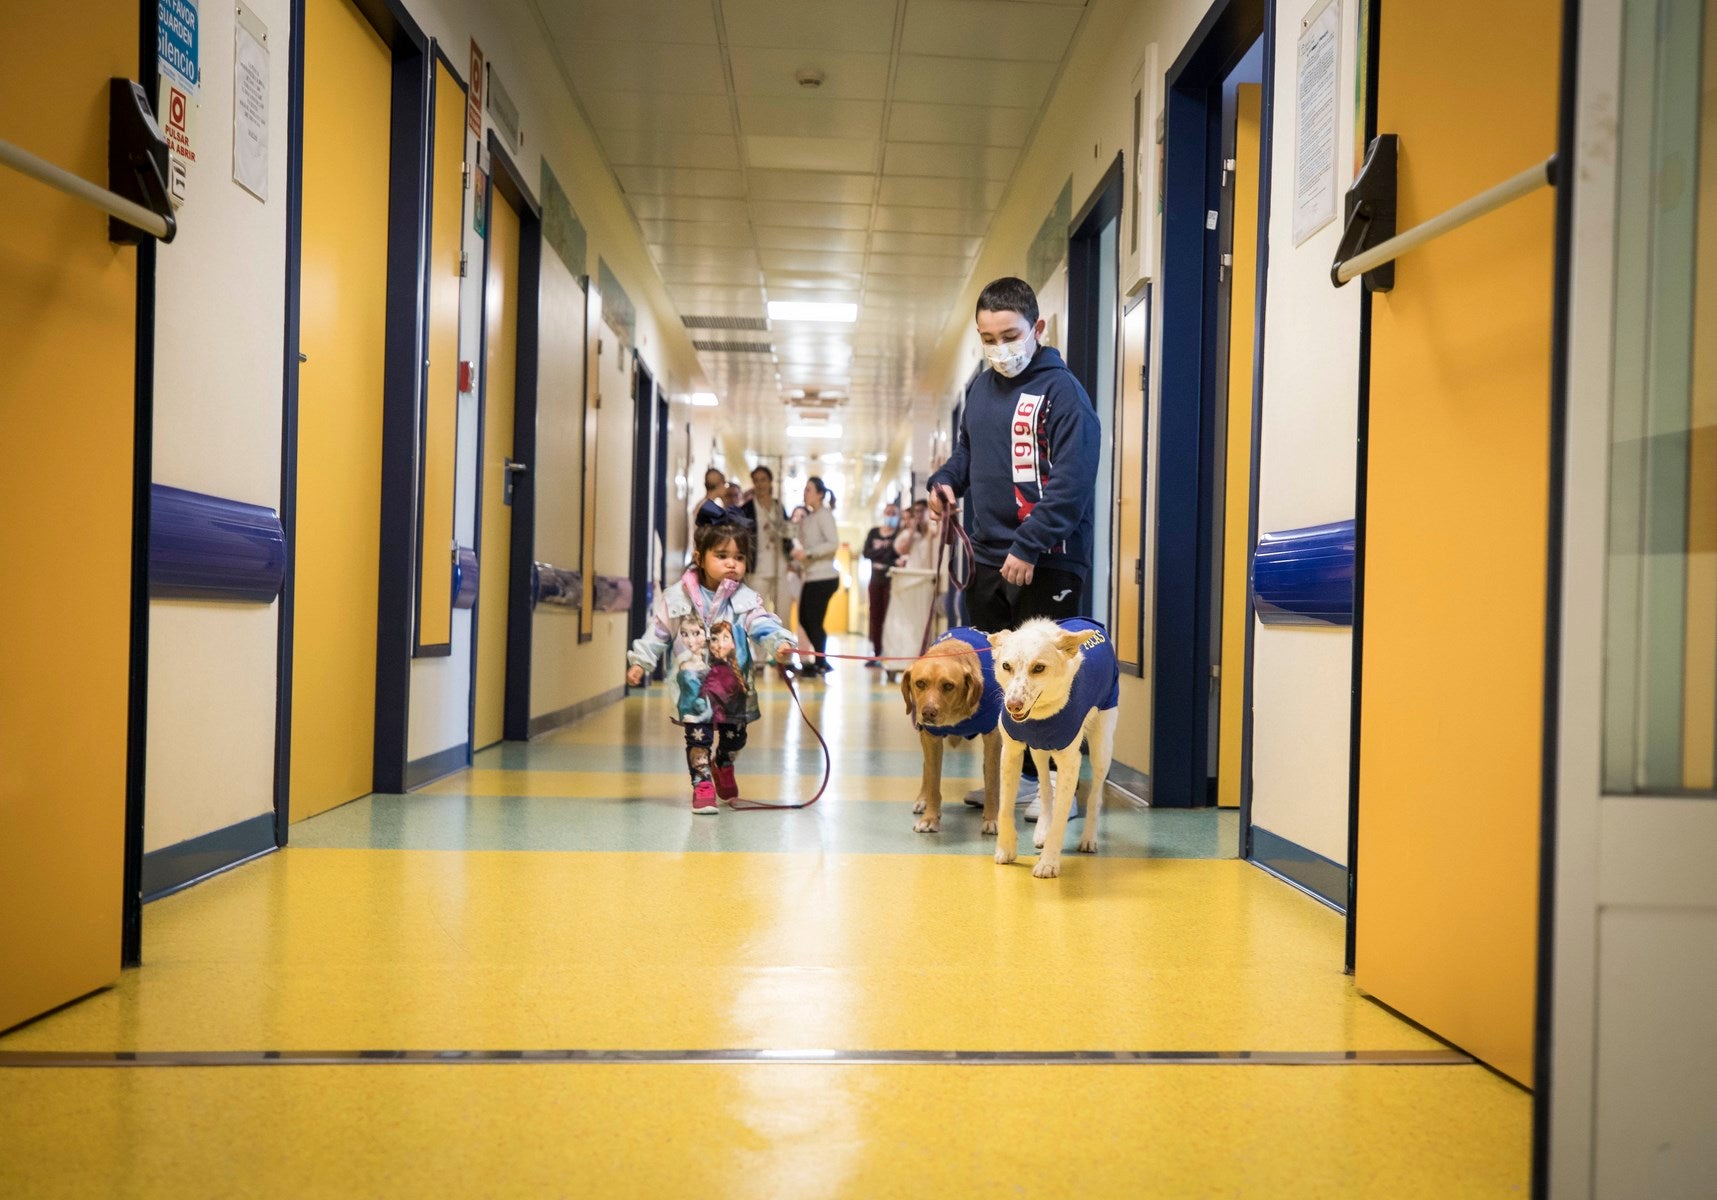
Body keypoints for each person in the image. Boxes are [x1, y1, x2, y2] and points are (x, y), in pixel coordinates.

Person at [928, 276, 1100, 816]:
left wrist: (1029, 545)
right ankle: (1015, 780)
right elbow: (968, 452)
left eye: (1010, 334)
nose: (999, 348)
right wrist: (947, 480)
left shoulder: (1062, 392)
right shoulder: (980, 389)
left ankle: (1056, 793)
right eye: (988, 337)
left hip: (1047, 558)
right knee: (1002, 675)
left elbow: (1072, 483)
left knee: (1046, 677)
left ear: (1038, 329)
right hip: (986, 556)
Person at [627, 516, 795, 814]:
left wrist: (779, 643)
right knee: (698, 736)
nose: (732, 564)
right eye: (722, 556)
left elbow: (761, 623)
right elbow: (659, 631)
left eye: (739, 557)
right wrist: (641, 661)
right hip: (694, 686)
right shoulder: (677, 597)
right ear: (699, 558)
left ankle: (723, 763)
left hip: (733, 686)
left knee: (736, 737)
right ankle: (702, 784)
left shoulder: (745, 599)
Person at [881, 500, 940, 679]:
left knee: (921, 626)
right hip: (908, 583)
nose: (919, 516)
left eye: (922, 512)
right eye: (916, 513)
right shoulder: (907, 535)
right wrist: (913, 530)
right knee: (902, 624)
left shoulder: (933, 532)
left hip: (924, 583)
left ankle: (919, 660)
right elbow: (900, 550)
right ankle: (897, 662)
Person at [793, 476, 841, 677]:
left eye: (809, 490)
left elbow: (832, 543)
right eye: (804, 490)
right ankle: (820, 661)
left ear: (820, 494)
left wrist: (809, 553)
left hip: (824, 577)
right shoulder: (810, 518)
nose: (805, 494)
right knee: (805, 619)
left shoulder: (825, 516)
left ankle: (821, 661)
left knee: (812, 619)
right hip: (811, 575)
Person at [741, 465, 793, 618]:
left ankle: (784, 641)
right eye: (756, 481)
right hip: (757, 569)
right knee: (756, 612)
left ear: (770, 482)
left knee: (783, 611)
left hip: (780, 566)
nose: (760, 484)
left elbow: (788, 534)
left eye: (763, 480)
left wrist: (791, 555)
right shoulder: (747, 509)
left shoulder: (779, 507)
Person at [860, 503, 902, 668]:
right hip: (875, 580)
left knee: (890, 617)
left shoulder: (899, 534)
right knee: (875, 617)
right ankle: (877, 653)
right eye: (888, 512)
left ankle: (890, 652)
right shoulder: (873, 532)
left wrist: (882, 556)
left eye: (894, 513)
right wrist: (886, 553)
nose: (890, 515)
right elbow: (866, 553)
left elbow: (896, 555)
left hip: (892, 581)